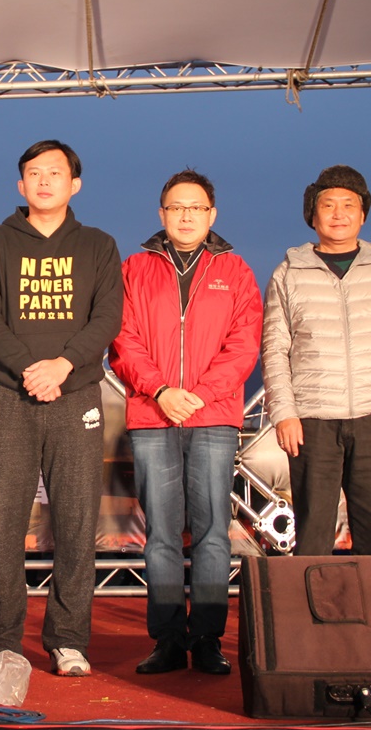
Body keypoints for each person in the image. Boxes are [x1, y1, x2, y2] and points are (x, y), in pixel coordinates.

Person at [0, 140, 123, 677]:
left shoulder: (99, 245)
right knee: (4, 521)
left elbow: (107, 319)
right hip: (10, 396)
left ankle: (67, 638)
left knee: (77, 521)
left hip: (75, 394)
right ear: (21, 185)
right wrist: (33, 371)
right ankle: (1, 640)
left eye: (55, 173)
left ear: (74, 184)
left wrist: (63, 367)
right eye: (34, 173)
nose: (45, 181)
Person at [108, 169, 262, 675]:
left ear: (212, 214)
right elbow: (121, 340)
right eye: (176, 207)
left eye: (196, 207)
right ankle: (169, 639)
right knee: (161, 534)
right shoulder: (134, 268)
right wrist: (161, 390)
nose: (186, 216)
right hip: (153, 415)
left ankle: (209, 639)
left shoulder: (235, 270)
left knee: (215, 531)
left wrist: (195, 395)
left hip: (213, 416)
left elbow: (244, 346)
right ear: (162, 214)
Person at [261, 165, 371, 556]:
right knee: (314, 532)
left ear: (363, 214)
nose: (338, 214)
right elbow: (274, 348)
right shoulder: (288, 274)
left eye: (349, 205)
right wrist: (284, 412)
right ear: (312, 215)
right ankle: (310, 616)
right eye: (328, 205)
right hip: (312, 420)